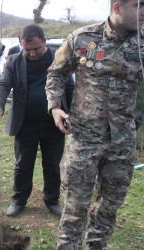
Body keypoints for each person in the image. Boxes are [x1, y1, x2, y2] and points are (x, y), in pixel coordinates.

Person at [45, 0, 144, 248]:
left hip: (122, 142)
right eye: (139, 5)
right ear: (118, 7)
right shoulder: (82, 38)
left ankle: (97, 245)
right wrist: (55, 107)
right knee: (75, 205)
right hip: (84, 139)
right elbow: (56, 73)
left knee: (110, 206)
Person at [0, 24, 74, 218]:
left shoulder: (58, 58)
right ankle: (19, 200)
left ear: (45, 42)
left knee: (52, 165)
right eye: (27, 49)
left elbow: (69, 86)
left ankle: (52, 201)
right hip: (24, 123)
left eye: (36, 48)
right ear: (21, 45)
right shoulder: (13, 60)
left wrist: (73, 114)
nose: (32, 53)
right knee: (23, 165)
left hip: (54, 124)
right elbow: (3, 84)